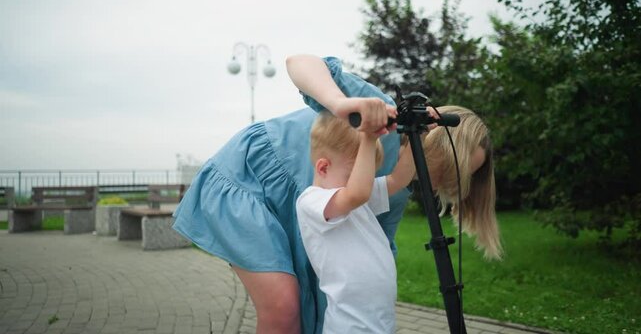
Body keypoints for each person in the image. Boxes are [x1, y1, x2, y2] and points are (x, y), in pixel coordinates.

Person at [172, 54, 501, 334]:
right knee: (283, 307)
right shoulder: (377, 111)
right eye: (446, 170)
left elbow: (371, 247)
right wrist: (341, 104)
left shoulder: (399, 189)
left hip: (306, 209)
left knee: (307, 313)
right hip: (250, 182)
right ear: (436, 142)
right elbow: (300, 63)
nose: (438, 185)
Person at [296, 111, 417, 333]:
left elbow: (399, 179)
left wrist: (420, 134)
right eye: (357, 173)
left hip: (380, 321)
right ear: (323, 168)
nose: (365, 181)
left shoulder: (358, 198)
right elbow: (358, 193)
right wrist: (369, 138)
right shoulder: (311, 201)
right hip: (349, 325)